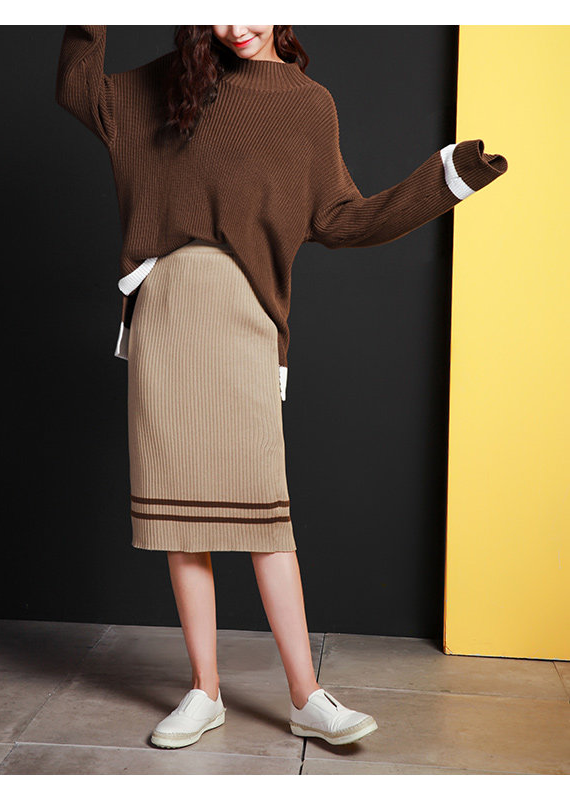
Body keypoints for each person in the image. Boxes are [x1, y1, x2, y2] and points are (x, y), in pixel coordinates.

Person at [55, 24, 508, 750]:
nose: (235, 25)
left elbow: (343, 219)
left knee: (265, 517)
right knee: (181, 518)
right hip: (166, 314)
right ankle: (204, 690)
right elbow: (79, 88)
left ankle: (307, 696)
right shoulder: (171, 81)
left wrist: (445, 181)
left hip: (246, 318)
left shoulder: (307, 104)